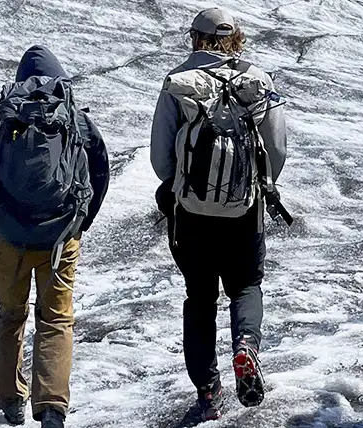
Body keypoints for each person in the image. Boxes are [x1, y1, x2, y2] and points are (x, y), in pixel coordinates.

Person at [151, 7, 292, 423]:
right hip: (244, 209)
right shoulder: (257, 81)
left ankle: (209, 392)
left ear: (195, 37)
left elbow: (161, 158)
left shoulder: (178, 82)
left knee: (200, 298)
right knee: (246, 285)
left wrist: (182, 184)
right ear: (237, 39)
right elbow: (277, 150)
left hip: (190, 211)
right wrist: (260, 183)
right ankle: (246, 346)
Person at [0, 45, 112, 428]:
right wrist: (81, 221)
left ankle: (11, 402)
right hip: (60, 237)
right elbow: (100, 172)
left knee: (11, 315)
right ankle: (51, 409)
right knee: (56, 319)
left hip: (9, 239)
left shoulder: (2, 117)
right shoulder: (74, 118)